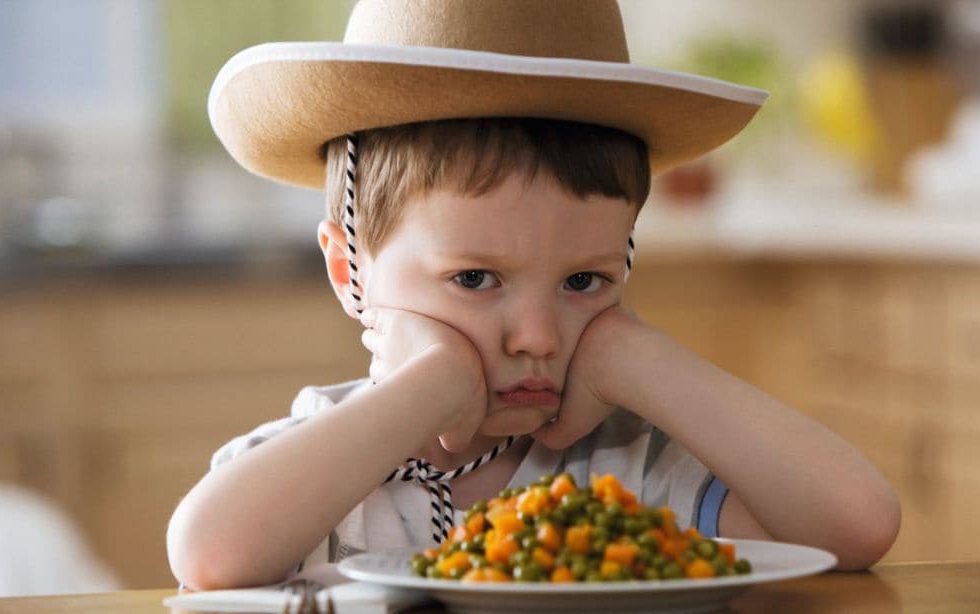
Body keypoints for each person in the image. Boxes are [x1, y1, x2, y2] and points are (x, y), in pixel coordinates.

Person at [167, 0, 901, 590]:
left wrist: (634, 355)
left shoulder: (630, 472)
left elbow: (857, 527)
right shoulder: (312, 470)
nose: (538, 336)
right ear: (348, 273)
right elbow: (208, 555)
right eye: (474, 280)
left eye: (584, 282)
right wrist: (433, 383)